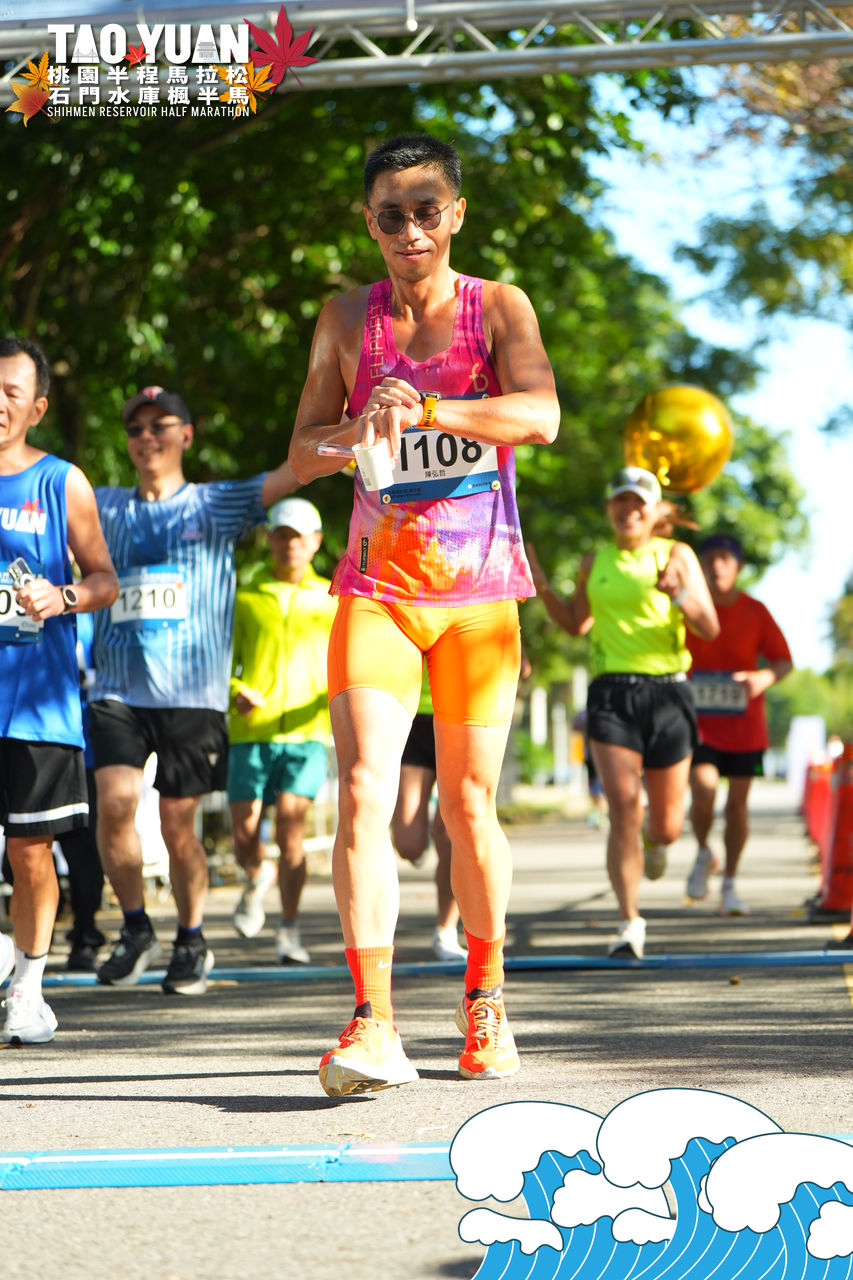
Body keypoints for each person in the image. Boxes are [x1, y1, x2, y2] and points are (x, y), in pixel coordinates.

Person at [288, 132, 560, 1096]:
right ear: (369, 222)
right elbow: (304, 453)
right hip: (378, 592)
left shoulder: (499, 306)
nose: (410, 230)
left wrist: (434, 412)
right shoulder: (343, 318)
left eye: (427, 211)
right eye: (391, 215)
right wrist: (357, 428)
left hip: (481, 598)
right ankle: (373, 1022)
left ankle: (485, 997)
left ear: (456, 216)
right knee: (363, 788)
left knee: (465, 804)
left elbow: (540, 417)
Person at [90, 385, 298, 996]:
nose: (146, 437)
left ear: (186, 434)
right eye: (136, 428)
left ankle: (191, 937)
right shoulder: (101, 506)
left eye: (160, 425)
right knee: (114, 805)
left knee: (177, 823)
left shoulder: (215, 503)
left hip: (192, 695)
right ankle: (136, 929)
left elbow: (295, 471)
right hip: (117, 689)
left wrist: (356, 426)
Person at [527, 466, 719, 959]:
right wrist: (543, 586)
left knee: (666, 826)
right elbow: (576, 624)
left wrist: (679, 594)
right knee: (624, 810)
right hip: (612, 694)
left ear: (656, 512)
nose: (629, 509)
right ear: (609, 507)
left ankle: (657, 843)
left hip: (669, 693)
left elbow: (710, 627)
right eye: (621, 500)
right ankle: (629, 922)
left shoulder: (677, 555)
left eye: (639, 502)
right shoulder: (595, 561)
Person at [0, 336, 118, 1042]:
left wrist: (62, 595)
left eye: (10, 392)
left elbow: (105, 580)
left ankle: (29, 988)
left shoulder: (60, 481)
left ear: (37, 408)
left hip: (36, 704)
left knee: (30, 851)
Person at [228, 496, 337, 963]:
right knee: (243, 838)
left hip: (307, 734)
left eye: (298, 537)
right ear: (269, 539)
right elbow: (223, 661)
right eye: (281, 535)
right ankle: (257, 875)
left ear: (315, 542)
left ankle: (289, 929)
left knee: (291, 831)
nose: (290, 544)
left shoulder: (334, 598)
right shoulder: (245, 596)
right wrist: (235, 689)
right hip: (250, 731)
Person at [684, 533, 792, 915]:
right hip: (699, 724)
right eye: (710, 558)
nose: (717, 566)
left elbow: (784, 661)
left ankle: (729, 882)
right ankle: (703, 851)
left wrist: (763, 678)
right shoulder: (689, 610)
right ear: (700, 566)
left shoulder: (755, 611)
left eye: (725, 559)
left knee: (738, 807)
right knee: (703, 790)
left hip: (746, 727)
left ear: (739, 566)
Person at [391, 662, 467, 962]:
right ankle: (431, 816)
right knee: (409, 845)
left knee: (451, 835)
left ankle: (445, 931)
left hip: (460, 714)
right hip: (411, 714)